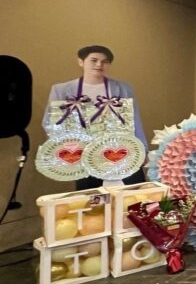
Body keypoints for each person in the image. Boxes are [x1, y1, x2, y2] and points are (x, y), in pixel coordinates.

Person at [45, 45, 146, 189]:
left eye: (105, 62)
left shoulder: (123, 88)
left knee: (132, 194)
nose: (99, 65)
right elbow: (51, 122)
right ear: (81, 62)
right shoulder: (62, 90)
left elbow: (135, 120)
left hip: (120, 151)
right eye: (94, 60)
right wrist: (67, 148)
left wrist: (143, 149)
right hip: (84, 155)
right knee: (91, 197)